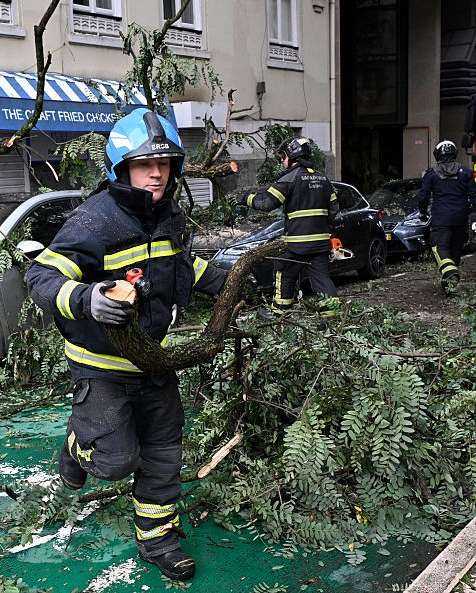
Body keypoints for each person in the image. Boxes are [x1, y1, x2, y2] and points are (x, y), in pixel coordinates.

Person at [25, 108, 227, 582]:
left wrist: (231, 280)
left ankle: (157, 539)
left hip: (152, 360)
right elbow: (40, 276)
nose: (156, 173)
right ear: (121, 168)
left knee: (163, 449)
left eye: (164, 163)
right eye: (143, 164)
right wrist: (87, 298)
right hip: (102, 366)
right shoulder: (96, 220)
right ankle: (78, 446)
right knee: (116, 461)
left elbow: (178, 268)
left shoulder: (170, 216)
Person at [240, 136, 340, 315]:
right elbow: (334, 208)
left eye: (283, 156)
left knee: (283, 271)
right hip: (321, 243)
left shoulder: (289, 179)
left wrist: (244, 198)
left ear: (292, 156)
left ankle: (279, 315)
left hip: (297, 244)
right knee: (322, 279)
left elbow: (266, 203)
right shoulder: (323, 179)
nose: (281, 160)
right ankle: (332, 319)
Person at [417, 140, 476, 292]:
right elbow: (475, 197)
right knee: (455, 251)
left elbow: (423, 197)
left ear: (437, 155)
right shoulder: (466, 173)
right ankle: (449, 286)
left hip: (441, 220)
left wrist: (422, 213)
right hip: (461, 220)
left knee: (438, 248)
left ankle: (451, 274)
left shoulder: (431, 174)